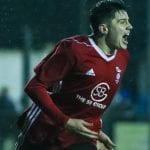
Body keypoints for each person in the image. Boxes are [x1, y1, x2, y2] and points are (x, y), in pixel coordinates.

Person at [15, 0, 133, 149]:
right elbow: (34, 86)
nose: (129, 26)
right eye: (123, 22)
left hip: (80, 138)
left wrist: (96, 131)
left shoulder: (123, 57)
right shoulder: (74, 49)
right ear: (104, 28)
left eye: (128, 22)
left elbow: (91, 101)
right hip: (45, 131)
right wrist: (66, 122)